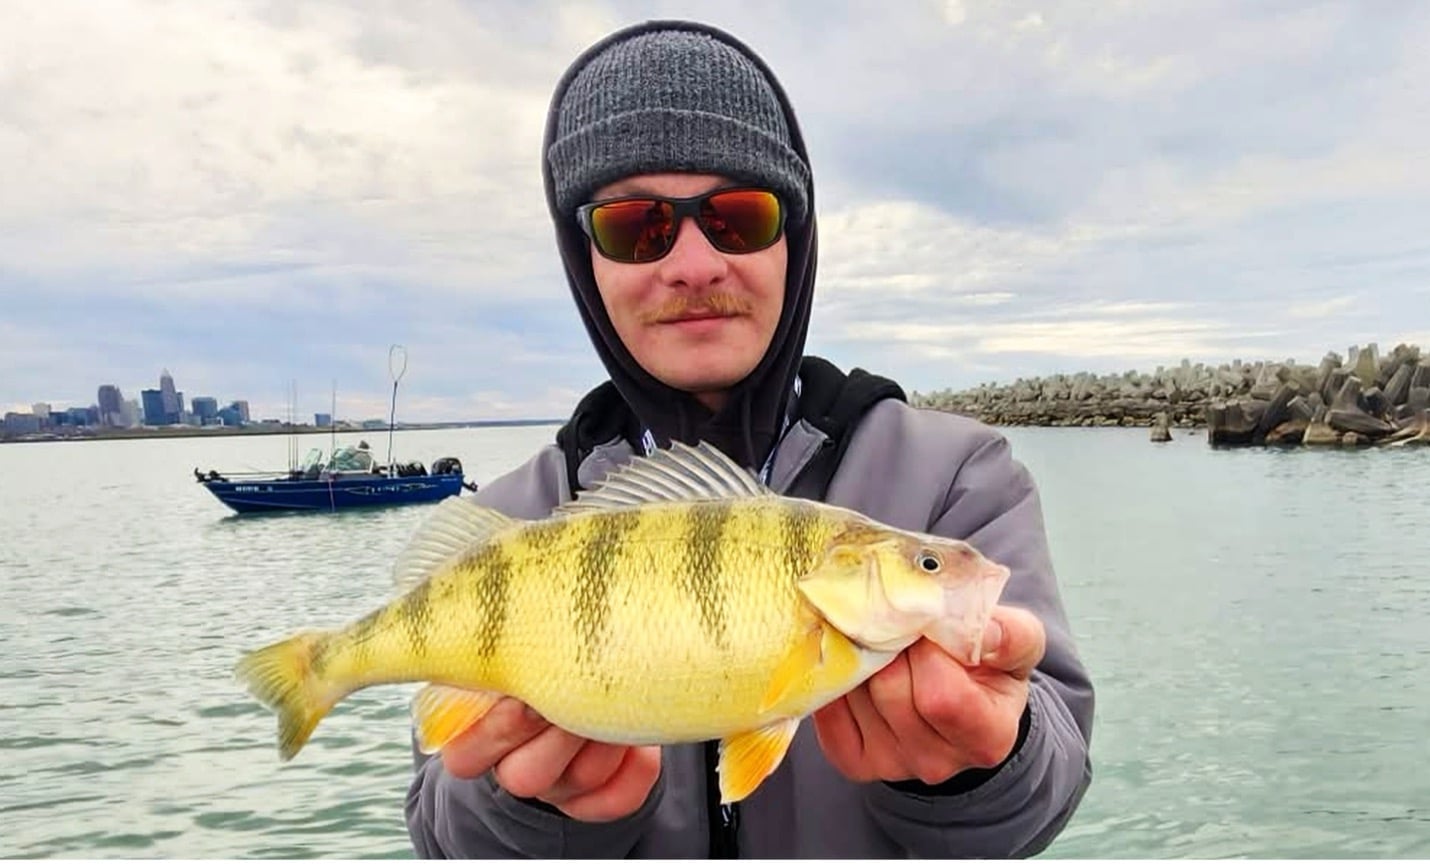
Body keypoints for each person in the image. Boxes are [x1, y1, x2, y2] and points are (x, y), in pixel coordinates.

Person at [404, 19, 1093, 858]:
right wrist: (532, 812)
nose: (694, 264)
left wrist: (981, 767)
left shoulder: (957, 478)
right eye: (636, 226)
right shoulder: (517, 518)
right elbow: (443, 839)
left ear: (794, 242)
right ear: (585, 262)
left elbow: (1046, 795)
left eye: (737, 216)